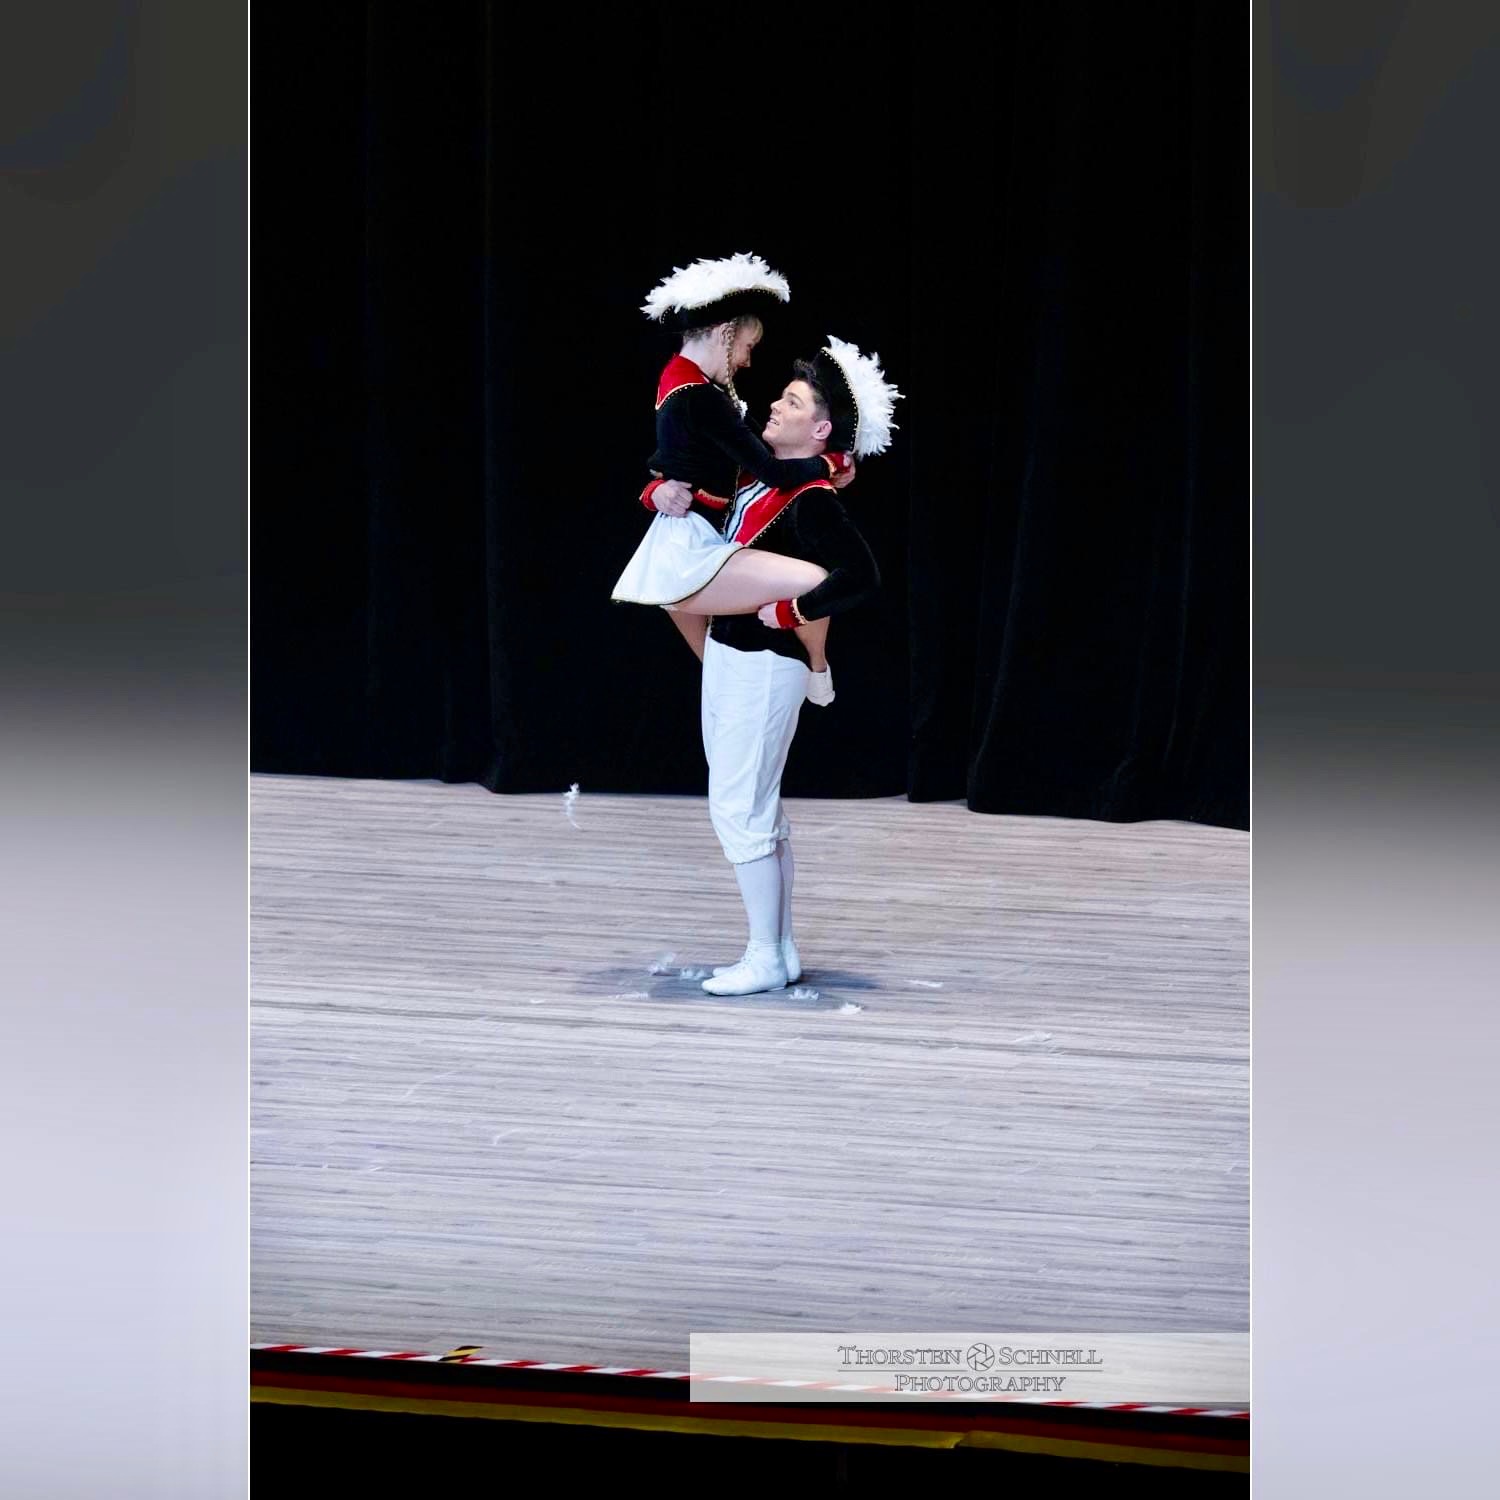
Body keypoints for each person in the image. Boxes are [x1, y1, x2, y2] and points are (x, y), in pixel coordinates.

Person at [693, 336, 902, 995]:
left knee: (739, 808)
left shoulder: (810, 496)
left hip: (763, 663)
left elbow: (860, 573)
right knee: (753, 805)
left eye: (791, 401)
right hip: (733, 655)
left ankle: (763, 954)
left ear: (818, 430)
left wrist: (793, 611)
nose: (775, 406)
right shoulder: (765, 481)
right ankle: (778, 951)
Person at [612, 253, 854, 704]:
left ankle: (751, 682)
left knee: (715, 668)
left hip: (688, 539)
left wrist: (655, 489)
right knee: (813, 581)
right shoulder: (700, 396)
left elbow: (666, 459)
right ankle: (818, 667)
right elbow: (774, 471)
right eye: (747, 347)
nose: (746, 361)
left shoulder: (680, 380)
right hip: (689, 547)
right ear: (725, 334)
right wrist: (830, 464)